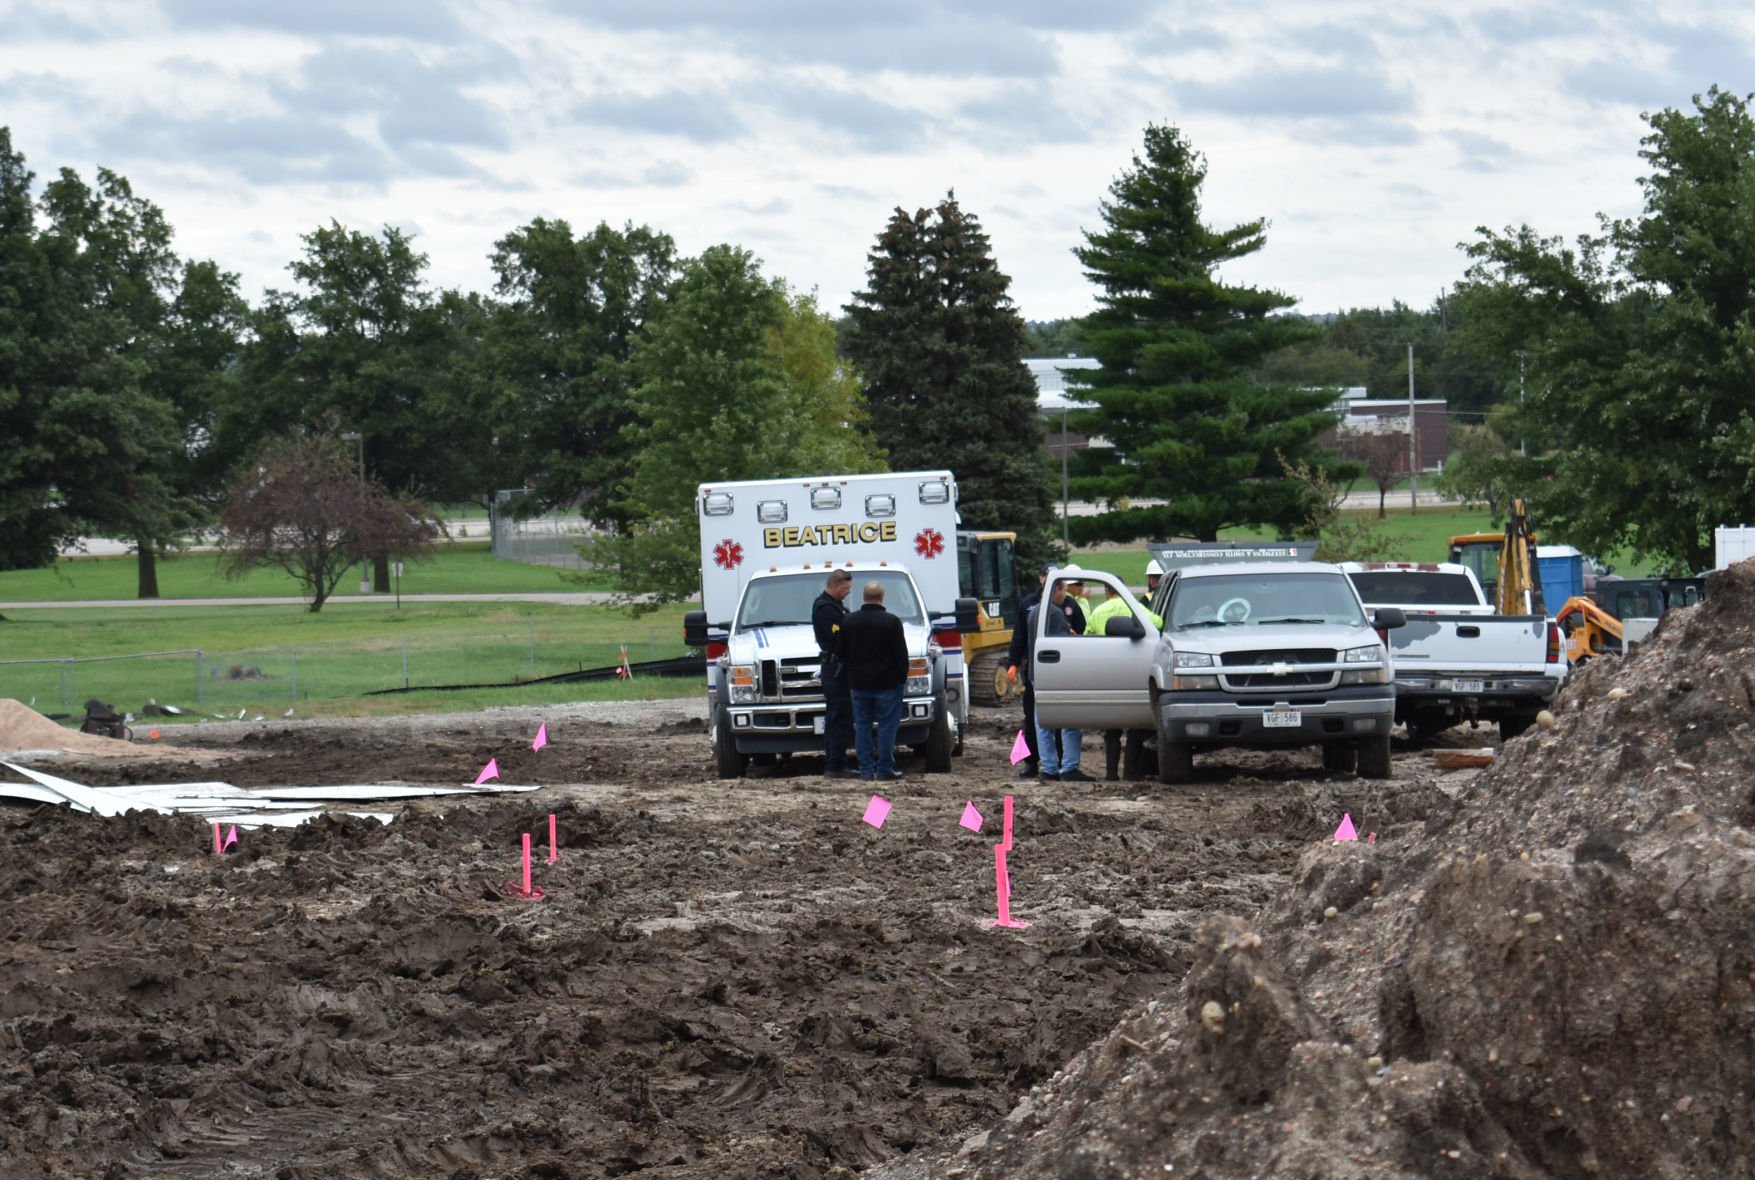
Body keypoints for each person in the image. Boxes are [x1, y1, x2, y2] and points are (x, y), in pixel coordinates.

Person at [1083, 583, 1163, 781]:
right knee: (1135, 724)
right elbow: (1158, 622)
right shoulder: (1136, 608)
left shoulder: (1098, 611)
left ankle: (1111, 773)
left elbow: (1086, 637)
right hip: (1133, 669)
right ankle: (1131, 771)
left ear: (1106, 592)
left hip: (1107, 671)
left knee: (1112, 725)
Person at [836, 580, 909, 781]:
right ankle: (885, 768)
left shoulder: (848, 621)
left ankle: (866, 770)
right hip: (887, 683)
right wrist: (901, 678)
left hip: (858, 684)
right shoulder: (891, 621)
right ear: (881, 598)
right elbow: (901, 656)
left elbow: (840, 653)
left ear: (864, 597)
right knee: (887, 726)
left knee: (862, 726)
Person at [1028, 577, 1090, 782]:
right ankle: (1069, 766)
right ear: (1055, 591)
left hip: (1037, 673)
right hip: (1056, 674)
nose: (1066, 595)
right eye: (1064, 590)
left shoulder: (1034, 611)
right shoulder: (1054, 614)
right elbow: (1063, 646)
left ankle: (1048, 766)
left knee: (1042, 722)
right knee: (1070, 720)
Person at [1005, 564, 1052, 778]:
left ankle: (1057, 762)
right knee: (1031, 716)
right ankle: (1031, 762)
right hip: (1033, 669)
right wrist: (1013, 663)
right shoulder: (1028, 605)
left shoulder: (1068, 605)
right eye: (1047, 577)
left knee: (1059, 718)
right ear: (1041, 579)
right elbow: (1019, 637)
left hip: (1060, 670)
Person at [812, 567, 856, 778]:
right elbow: (837, 639)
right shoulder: (826, 609)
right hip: (835, 669)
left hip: (838, 668)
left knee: (840, 717)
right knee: (839, 717)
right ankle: (835, 764)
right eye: (846, 588)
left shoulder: (835, 607)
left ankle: (836, 761)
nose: (848, 592)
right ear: (836, 586)